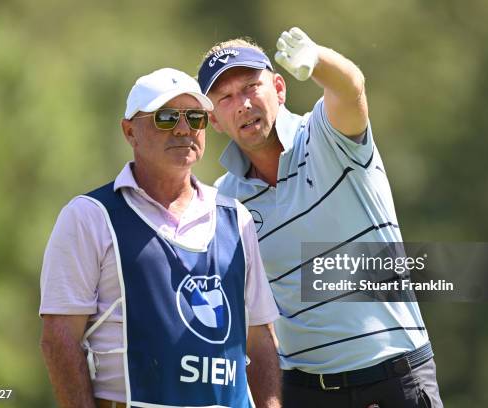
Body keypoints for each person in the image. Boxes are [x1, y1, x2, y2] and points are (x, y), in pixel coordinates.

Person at [197, 28, 443, 407]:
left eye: (250, 87)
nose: (243, 104)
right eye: (226, 98)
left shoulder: (325, 135)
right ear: (214, 120)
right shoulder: (225, 200)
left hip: (393, 376)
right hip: (306, 391)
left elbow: (351, 89)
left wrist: (318, 61)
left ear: (279, 88)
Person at [39, 68, 281, 408]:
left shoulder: (235, 217)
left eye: (195, 117)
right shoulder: (90, 216)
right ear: (129, 132)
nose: (183, 128)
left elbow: (259, 339)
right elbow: (59, 339)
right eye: (166, 117)